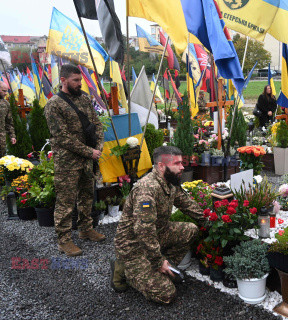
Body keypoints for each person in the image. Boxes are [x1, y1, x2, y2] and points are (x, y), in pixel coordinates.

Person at [111, 146, 207, 304]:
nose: (182, 167)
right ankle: (123, 269)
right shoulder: (147, 190)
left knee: (190, 230)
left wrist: (210, 221)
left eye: (182, 163)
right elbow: (144, 231)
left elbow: (186, 204)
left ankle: (161, 267)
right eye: (177, 163)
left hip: (156, 235)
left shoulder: (169, 181)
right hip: (133, 247)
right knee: (166, 294)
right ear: (161, 166)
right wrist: (157, 261)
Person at [44, 64, 105, 257]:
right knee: (66, 201)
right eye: (76, 80)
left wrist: (100, 146)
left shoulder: (85, 99)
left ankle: (85, 229)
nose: (80, 83)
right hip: (67, 162)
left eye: (80, 80)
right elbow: (61, 137)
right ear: (63, 80)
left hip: (88, 159)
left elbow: (96, 123)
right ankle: (64, 240)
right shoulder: (54, 104)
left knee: (87, 195)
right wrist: (90, 152)